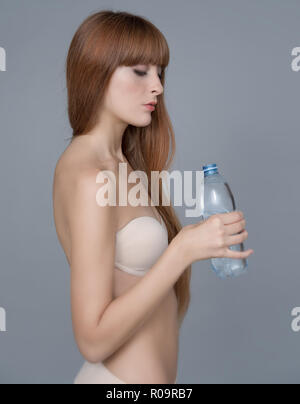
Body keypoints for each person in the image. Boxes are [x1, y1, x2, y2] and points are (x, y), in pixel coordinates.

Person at [52, 10, 253, 384]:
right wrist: (183, 250)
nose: (158, 86)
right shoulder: (90, 176)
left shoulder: (124, 164)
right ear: (97, 71)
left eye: (160, 72)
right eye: (140, 72)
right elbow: (92, 341)